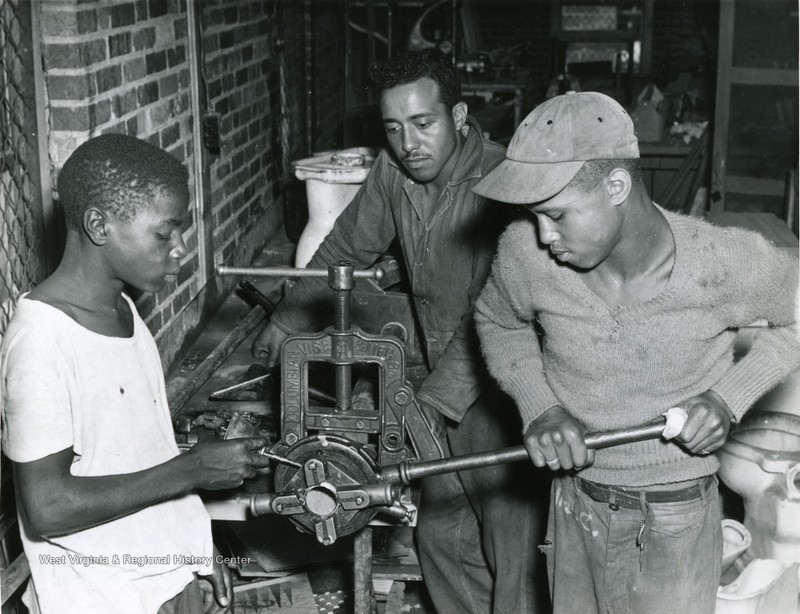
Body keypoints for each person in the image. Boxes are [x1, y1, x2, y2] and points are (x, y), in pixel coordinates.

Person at [472, 90, 800, 614]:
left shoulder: (720, 261)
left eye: (556, 214)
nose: (543, 235)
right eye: (533, 216)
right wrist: (541, 407)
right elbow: (498, 321)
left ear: (617, 185)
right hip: (575, 504)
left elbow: (796, 316)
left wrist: (727, 398)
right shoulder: (525, 255)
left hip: (679, 518)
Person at [251, 50, 549, 613]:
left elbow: (497, 310)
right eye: (393, 128)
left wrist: (428, 403)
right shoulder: (395, 171)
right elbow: (341, 250)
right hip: (438, 375)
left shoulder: (503, 183)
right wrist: (287, 317)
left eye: (423, 123)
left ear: (459, 116)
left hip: (507, 390)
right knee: (443, 538)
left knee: (515, 554)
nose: (408, 143)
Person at [0, 133, 272, 614]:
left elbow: (148, 453)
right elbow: (49, 508)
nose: (180, 248)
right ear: (99, 225)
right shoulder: (41, 341)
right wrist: (195, 469)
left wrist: (194, 542)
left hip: (164, 576)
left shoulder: (123, 312)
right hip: (103, 595)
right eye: (165, 233)